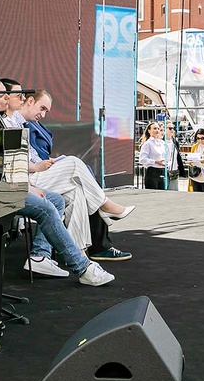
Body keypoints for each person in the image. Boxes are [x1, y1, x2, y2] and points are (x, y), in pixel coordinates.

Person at [15, 90, 134, 258]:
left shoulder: (21, 124)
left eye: (45, 111)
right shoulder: (12, 122)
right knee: (74, 163)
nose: (42, 114)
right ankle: (105, 205)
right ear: (28, 101)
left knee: (76, 191)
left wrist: (47, 163)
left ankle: (79, 254)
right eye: (42, 108)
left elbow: (28, 157)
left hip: (34, 174)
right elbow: (14, 162)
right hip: (27, 179)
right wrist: (37, 167)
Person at [138, 122, 168, 190]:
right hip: (152, 172)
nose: (157, 130)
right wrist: (155, 162)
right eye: (154, 128)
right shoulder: (147, 144)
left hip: (162, 170)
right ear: (149, 131)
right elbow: (142, 159)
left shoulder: (162, 143)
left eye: (158, 129)